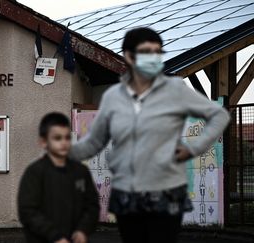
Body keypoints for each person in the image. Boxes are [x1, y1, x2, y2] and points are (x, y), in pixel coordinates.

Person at [69, 27, 230, 243]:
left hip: (166, 190)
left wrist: (194, 147)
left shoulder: (174, 89)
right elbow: (95, 141)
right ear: (129, 56)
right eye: (147, 51)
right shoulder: (113, 97)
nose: (154, 57)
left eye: (158, 51)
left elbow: (218, 115)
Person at [18, 112, 99, 243]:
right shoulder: (34, 172)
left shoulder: (81, 172)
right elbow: (28, 211)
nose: (64, 142)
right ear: (44, 142)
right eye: (57, 138)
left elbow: (92, 205)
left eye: (67, 138)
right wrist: (54, 236)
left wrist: (83, 230)